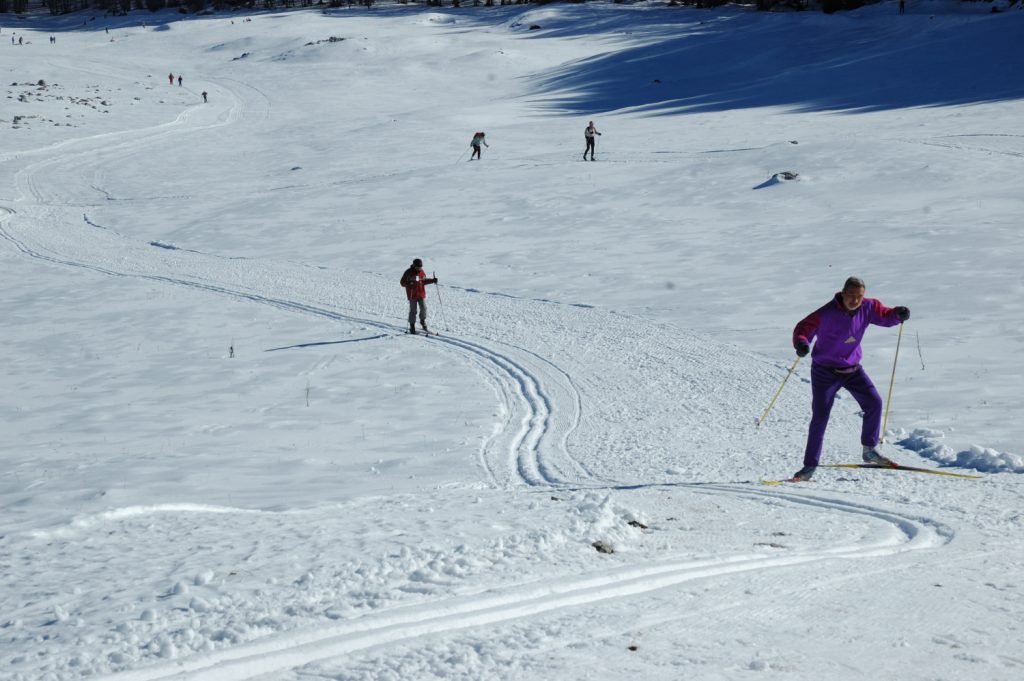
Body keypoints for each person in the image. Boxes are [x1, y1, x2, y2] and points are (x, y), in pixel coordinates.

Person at [790, 276, 910, 481]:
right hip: (824, 372)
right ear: (843, 293)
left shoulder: (868, 307)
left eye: (859, 296)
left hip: (852, 369)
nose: (855, 300)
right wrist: (801, 342)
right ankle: (809, 467)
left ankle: (869, 451)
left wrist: (897, 314)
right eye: (852, 296)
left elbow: (885, 315)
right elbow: (804, 328)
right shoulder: (826, 313)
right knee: (820, 418)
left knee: (874, 403)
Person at [400, 258, 438, 334]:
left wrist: (432, 280)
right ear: (414, 266)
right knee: (413, 311)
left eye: (420, 267)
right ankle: (412, 325)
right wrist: (408, 283)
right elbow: (402, 282)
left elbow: (424, 281)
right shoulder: (408, 272)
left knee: (424, 308)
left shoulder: (421, 272)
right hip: (412, 295)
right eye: (418, 267)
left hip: (421, 294)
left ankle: (422, 321)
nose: (419, 268)